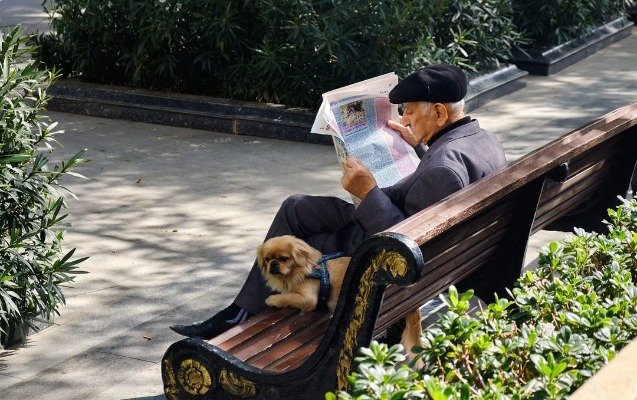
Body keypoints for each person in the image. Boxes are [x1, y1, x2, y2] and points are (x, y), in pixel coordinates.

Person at [170, 64, 507, 339]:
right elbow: (437, 192)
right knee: (297, 206)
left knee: (296, 240)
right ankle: (245, 308)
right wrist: (418, 146)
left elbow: (406, 247)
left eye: (410, 113)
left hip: (384, 250)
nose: (404, 119)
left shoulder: (443, 168)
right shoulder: (480, 139)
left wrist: (367, 192)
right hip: (449, 248)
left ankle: (243, 315)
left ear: (438, 113)